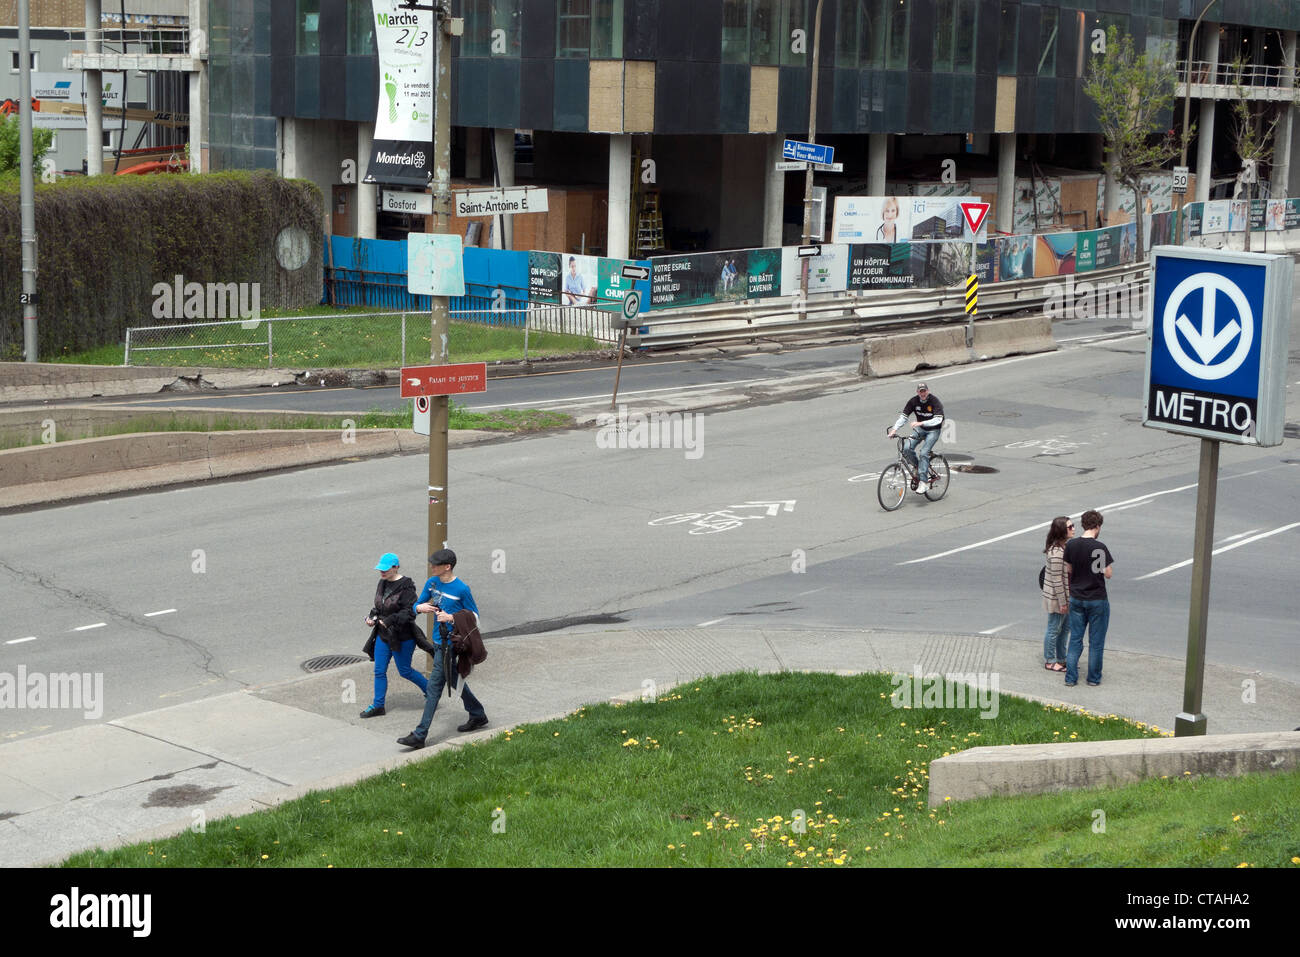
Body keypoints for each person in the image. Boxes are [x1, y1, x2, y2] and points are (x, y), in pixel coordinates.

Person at [398, 548, 489, 749]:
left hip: (453, 644)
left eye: (435, 564)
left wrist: (452, 618)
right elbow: (417, 604)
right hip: (439, 641)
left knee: (434, 686)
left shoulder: (462, 589)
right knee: (453, 678)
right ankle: (477, 713)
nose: (431, 567)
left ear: (447, 567)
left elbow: (474, 617)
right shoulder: (432, 583)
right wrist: (418, 608)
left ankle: (420, 734)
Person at [361, 553, 429, 718]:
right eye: (380, 569)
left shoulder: (407, 586)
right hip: (383, 635)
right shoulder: (382, 583)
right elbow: (379, 606)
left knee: (405, 671)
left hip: (403, 637)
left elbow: (410, 613)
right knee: (379, 670)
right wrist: (372, 618)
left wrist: (390, 620)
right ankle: (378, 706)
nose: (382, 572)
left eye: (385, 569)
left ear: (396, 567)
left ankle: (431, 691)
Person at [1063, 510, 1114, 687]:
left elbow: (1069, 569)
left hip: (1076, 598)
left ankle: (1070, 677)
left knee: (1075, 639)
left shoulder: (1071, 545)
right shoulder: (1099, 547)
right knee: (1096, 641)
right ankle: (1093, 678)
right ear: (1098, 526)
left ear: (1084, 525)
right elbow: (1107, 573)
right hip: (1096, 598)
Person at [887, 382, 944, 494]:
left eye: (924, 391)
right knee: (906, 448)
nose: (922, 393)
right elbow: (903, 417)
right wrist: (894, 429)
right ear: (917, 392)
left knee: (923, 453)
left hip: (933, 430)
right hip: (920, 429)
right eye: (920, 391)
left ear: (928, 391)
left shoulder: (934, 401)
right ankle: (919, 467)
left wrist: (921, 422)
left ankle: (924, 483)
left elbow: (938, 419)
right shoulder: (913, 401)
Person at [1041, 516, 1074, 672]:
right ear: (1062, 531)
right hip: (1057, 598)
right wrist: (1063, 602)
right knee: (1054, 628)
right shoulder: (1056, 552)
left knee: (1065, 629)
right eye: (1070, 527)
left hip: (1066, 596)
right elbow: (1057, 580)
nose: (1074, 528)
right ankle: (1050, 660)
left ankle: (1061, 658)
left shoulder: (1064, 548)